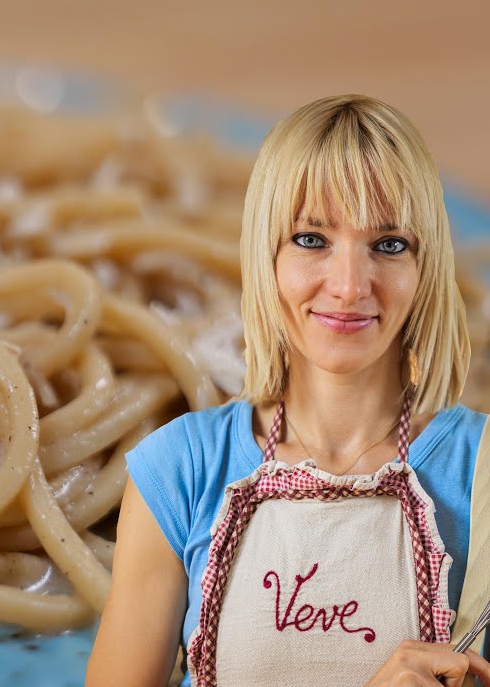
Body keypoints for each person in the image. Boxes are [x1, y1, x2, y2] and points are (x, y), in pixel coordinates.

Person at [85, 94, 490, 686]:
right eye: (311, 239)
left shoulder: (483, 474)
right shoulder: (180, 471)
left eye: (390, 244)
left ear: (425, 269)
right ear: (265, 256)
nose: (350, 286)